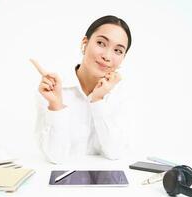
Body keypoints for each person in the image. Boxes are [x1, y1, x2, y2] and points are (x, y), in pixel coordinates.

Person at [35, 15, 132, 164]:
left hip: (105, 183)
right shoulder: (53, 88)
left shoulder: (119, 93)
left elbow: (115, 152)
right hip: (60, 182)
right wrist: (56, 105)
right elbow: (55, 157)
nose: (107, 56)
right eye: (101, 43)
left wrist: (98, 100)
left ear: (123, 58)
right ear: (85, 43)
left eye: (118, 51)